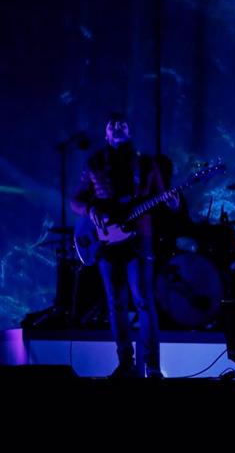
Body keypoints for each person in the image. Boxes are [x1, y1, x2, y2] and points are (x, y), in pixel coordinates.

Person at [71, 112, 178, 378]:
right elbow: (76, 200)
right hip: (107, 242)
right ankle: (125, 364)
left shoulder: (146, 163)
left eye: (122, 124)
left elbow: (163, 197)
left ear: (129, 132)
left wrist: (173, 203)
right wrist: (90, 209)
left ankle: (152, 366)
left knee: (143, 300)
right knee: (115, 303)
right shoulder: (95, 162)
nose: (117, 127)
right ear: (106, 134)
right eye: (112, 125)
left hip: (139, 240)